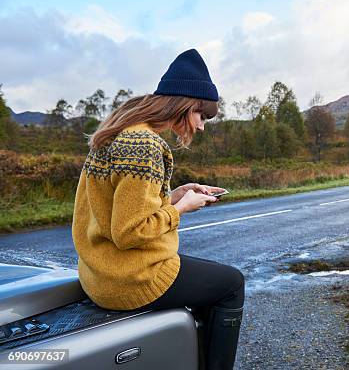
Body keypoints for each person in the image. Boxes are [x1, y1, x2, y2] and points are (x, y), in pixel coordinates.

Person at [71, 49, 245, 370]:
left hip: (98, 273)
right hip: (130, 278)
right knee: (231, 284)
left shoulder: (120, 133)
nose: (202, 126)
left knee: (210, 282)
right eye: (202, 116)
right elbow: (130, 232)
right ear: (187, 105)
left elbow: (117, 205)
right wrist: (181, 209)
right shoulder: (146, 145)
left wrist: (176, 193)